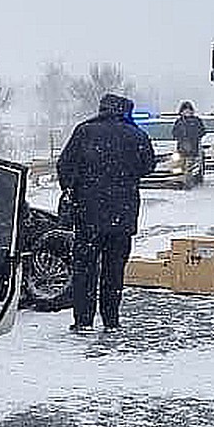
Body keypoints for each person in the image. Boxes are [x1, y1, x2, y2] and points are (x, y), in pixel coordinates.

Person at [57, 93, 156, 333]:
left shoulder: (84, 131)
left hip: (88, 214)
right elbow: (148, 165)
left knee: (85, 269)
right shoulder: (136, 135)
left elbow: (64, 164)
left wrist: (75, 186)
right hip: (123, 214)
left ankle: (83, 320)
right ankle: (111, 320)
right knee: (114, 270)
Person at [172, 100, 206, 186]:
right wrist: (181, 138)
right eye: (185, 110)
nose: (187, 112)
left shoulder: (196, 121)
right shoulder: (179, 122)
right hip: (181, 149)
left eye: (188, 110)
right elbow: (174, 133)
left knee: (190, 167)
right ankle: (182, 181)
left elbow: (202, 131)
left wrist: (194, 137)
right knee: (181, 167)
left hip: (193, 149)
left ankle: (188, 183)